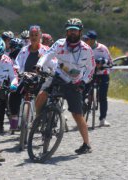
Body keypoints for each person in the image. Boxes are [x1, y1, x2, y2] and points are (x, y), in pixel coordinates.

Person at [35, 18, 95, 154]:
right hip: (58, 76)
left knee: (77, 114)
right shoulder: (60, 44)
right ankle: (38, 119)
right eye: (69, 30)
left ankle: (86, 144)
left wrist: (84, 82)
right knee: (42, 94)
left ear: (80, 32)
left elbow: (91, 69)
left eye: (75, 30)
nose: (72, 33)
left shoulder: (87, 50)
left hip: (75, 83)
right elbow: (48, 55)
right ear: (66, 32)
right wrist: (39, 65)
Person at [8, 25, 53, 130]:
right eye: (31, 35)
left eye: (36, 35)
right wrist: (17, 71)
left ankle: (41, 118)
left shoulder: (46, 50)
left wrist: (48, 71)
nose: (33, 37)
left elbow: (54, 63)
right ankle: (14, 118)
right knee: (14, 92)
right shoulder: (24, 50)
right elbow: (17, 63)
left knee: (42, 96)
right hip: (26, 77)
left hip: (41, 79)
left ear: (40, 36)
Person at [82, 30, 112, 127]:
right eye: (85, 38)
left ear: (92, 40)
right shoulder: (84, 48)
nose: (85, 40)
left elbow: (110, 62)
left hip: (103, 74)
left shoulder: (103, 48)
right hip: (90, 74)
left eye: (87, 39)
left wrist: (103, 62)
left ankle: (102, 119)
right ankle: (81, 116)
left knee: (103, 97)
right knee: (82, 93)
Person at [0, 38, 23, 133]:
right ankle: (0, 125)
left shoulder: (22, 56)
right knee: (2, 102)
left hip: (19, 80)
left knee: (17, 102)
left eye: (17, 48)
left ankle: (17, 123)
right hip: (6, 80)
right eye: (12, 48)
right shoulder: (6, 57)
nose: (14, 50)